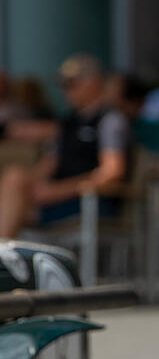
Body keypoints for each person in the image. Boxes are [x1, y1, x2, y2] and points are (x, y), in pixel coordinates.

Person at [0, 54, 129, 238]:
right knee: (14, 179)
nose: (67, 90)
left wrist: (55, 192)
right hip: (59, 201)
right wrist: (34, 187)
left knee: (11, 207)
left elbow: (111, 172)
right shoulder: (68, 122)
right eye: (64, 85)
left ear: (93, 82)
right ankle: (6, 255)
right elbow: (49, 164)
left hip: (89, 202)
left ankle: (4, 257)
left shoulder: (110, 120)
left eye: (72, 84)